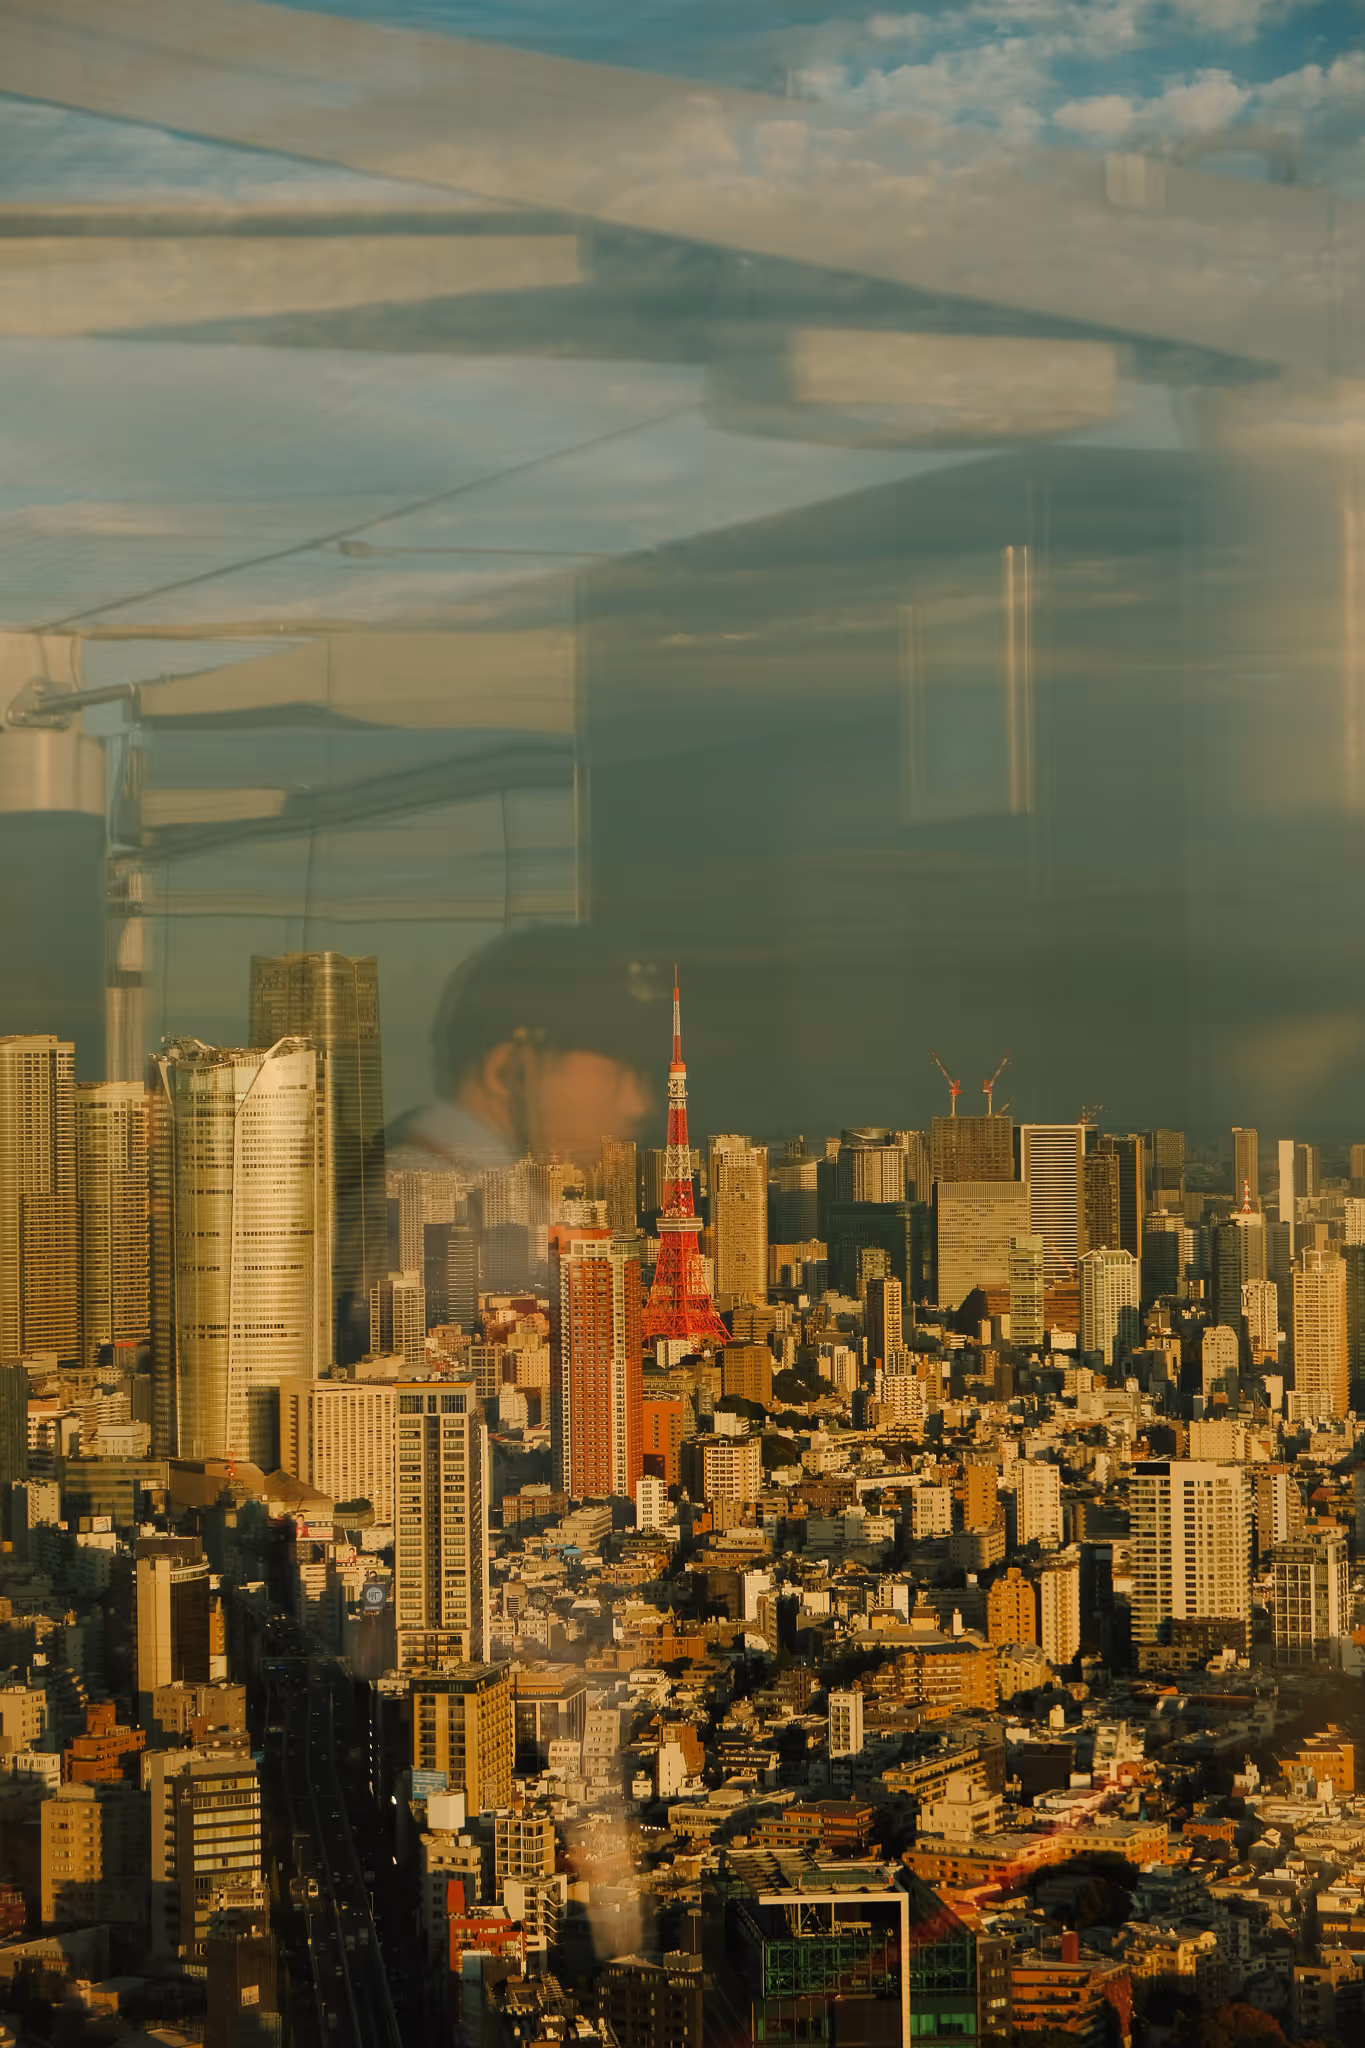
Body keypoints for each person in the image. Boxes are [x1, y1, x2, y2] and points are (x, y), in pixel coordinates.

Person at [387, 924, 661, 1174]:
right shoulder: (435, 1208)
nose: (640, 1107)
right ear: (508, 1073)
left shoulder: (484, 1195)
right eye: (618, 1077)